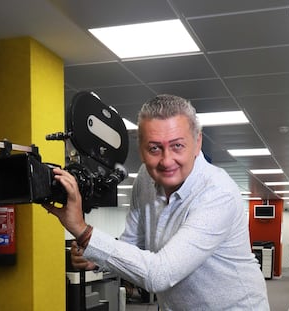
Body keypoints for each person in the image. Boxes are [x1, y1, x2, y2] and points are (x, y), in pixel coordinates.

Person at [46, 94, 270, 310]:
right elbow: (131, 243)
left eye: (177, 146)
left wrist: (83, 231)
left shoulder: (218, 192)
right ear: (141, 149)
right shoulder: (145, 178)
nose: (166, 160)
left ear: (197, 142)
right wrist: (97, 258)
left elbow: (160, 274)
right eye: (154, 148)